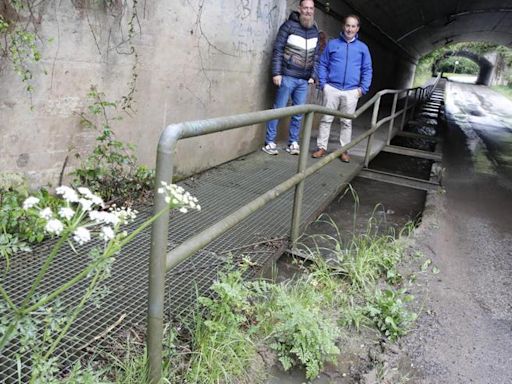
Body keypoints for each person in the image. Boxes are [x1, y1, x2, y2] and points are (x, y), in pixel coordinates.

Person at [312, 14, 372, 162]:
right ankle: (321, 147)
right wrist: (324, 84)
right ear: (343, 26)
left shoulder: (362, 48)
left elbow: (367, 69)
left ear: (357, 29)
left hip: (352, 91)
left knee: (346, 122)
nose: (350, 29)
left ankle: (344, 150)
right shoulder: (332, 44)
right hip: (332, 88)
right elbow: (323, 64)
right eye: (347, 25)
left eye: (353, 26)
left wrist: (362, 89)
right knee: (326, 119)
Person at [262, 0, 319, 156]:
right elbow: (278, 50)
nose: (308, 11)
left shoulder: (314, 30)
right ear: (300, 9)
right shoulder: (288, 26)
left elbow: (316, 56)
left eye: (311, 8)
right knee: (278, 110)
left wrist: (313, 75)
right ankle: (269, 142)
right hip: (287, 76)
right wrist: (276, 73)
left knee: (298, 113)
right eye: (305, 8)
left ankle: (293, 142)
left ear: (313, 10)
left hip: (304, 80)